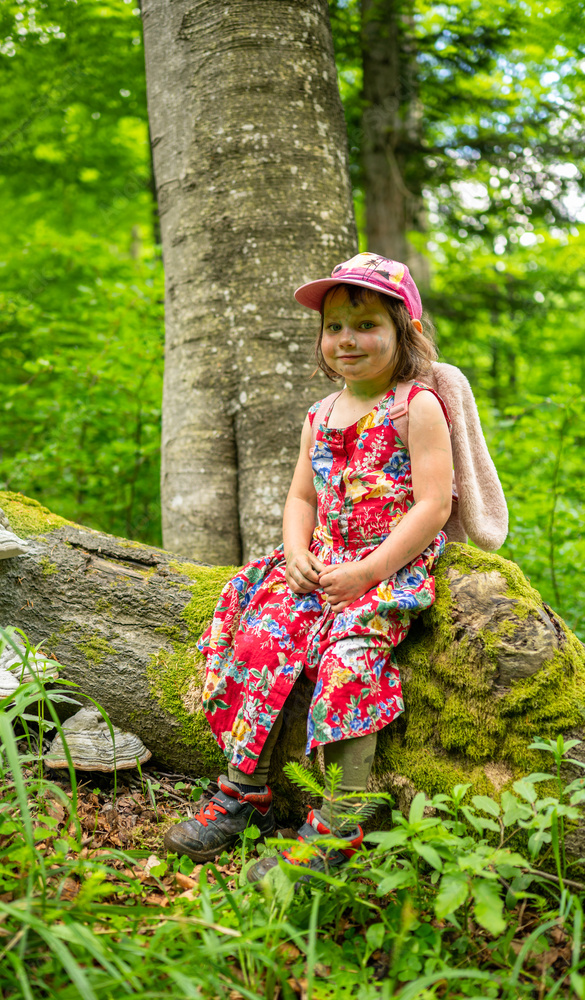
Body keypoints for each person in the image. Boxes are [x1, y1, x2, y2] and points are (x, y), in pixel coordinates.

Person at [164, 252, 454, 883]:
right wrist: (296, 552)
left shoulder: (416, 406)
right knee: (260, 638)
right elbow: (301, 497)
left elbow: (433, 506)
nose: (347, 339)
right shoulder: (320, 415)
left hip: (386, 566)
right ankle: (244, 793)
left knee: (349, 664)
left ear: (404, 333)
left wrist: (370, 570)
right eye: (334, 327)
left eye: (367, 323)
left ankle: (338, 825)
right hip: (320, 564)